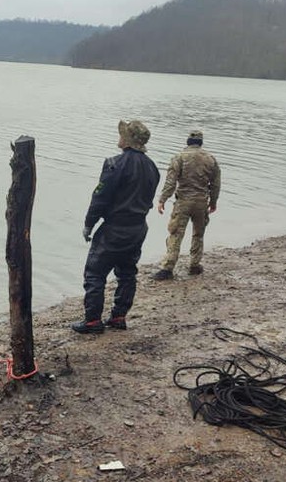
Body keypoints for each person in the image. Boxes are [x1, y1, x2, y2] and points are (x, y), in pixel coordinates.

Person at [72, 120, 161, 334]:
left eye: (122, 134)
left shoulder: (115, 164)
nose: (118, 137)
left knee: (94, 273)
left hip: (114, 229)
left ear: (127, 141)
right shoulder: (152, 167)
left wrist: (88, 224)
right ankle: (119, 316)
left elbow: (100, 197)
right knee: (127, 272)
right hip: (138, 228)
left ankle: (93, 321)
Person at [153, 130, 221, 280]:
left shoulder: (179, 157)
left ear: (187, 142)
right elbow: (215, 184)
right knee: (198, 234)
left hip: (183, 201)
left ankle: (168, 267)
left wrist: (162, 200)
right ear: (201, 142)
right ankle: (195, 265)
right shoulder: (211, 159)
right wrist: (214, 202)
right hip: (201, 202)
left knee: (176, 233)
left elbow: (171, 182)